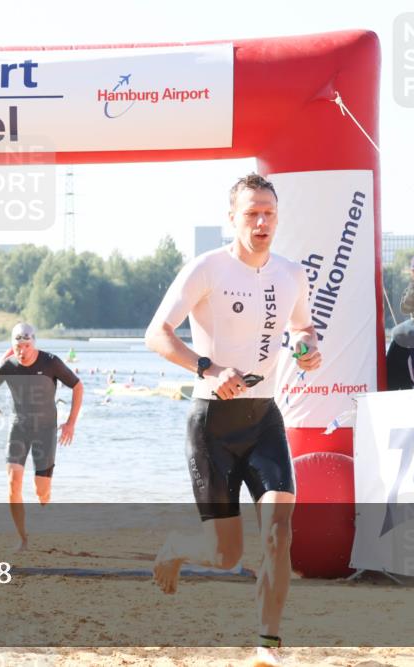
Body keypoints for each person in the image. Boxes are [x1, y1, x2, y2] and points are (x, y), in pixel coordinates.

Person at [144, 173, 322, 667]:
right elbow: (155, 334)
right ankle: (178, 547)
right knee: (226, 557)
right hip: (212, 428)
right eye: (251, 213)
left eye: (268, 212)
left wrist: (308, 349)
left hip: (265, 419)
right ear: (232, 218)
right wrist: (207, 366)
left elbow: (302, 326)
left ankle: (267, 645)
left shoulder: (291, 273)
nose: (261, 221)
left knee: (279, 532)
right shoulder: (207, 268)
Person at [0, 323, 84, 551]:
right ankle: (23, 538)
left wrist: (70, 423)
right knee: (13, 483)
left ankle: (46, 514)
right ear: (12, 345)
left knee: (41, 492)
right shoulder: (9, 366)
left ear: (34, 343)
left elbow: (77, 386)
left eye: (26, 345)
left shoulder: (50, 362)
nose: (22, 351)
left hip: (45, 431)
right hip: (19, 429)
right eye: (18, 346)